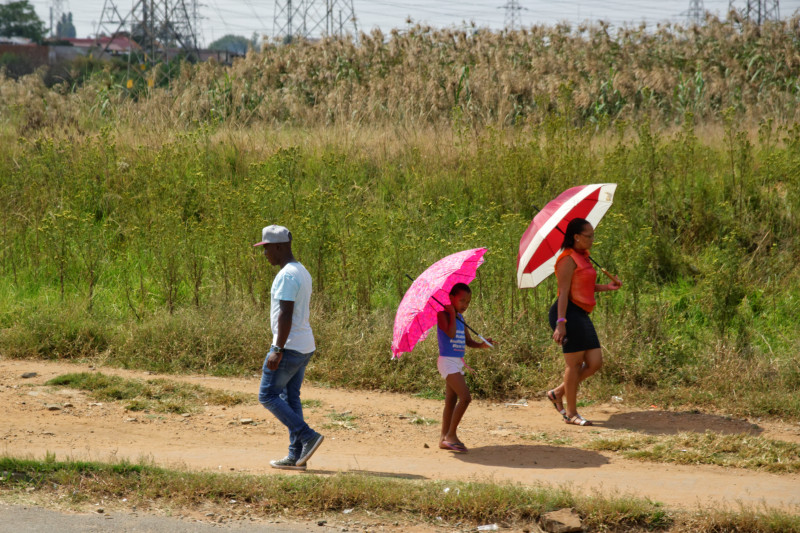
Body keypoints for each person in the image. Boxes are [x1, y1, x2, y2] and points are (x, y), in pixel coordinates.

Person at [254, 225, 324, 470]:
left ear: (280, 246)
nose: (265, 254)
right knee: (290, 397)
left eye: (267, 248)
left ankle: (308, 436)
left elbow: (285, 313)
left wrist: (277, 348)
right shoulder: (302, 270)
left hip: (289, 346)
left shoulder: (286, 275)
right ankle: (296, 456)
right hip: (304, 345)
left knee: (268, 395)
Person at [546, 218, 621, 426]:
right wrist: (561, 323)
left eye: (592, 235)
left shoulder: (583, 257)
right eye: (588, 236)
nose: (592, 239)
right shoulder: (567, 259)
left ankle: (558, 392)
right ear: (576, 237)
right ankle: (571, 413)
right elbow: (563, 293)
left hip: (582, 314)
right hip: (567, 312)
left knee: (595, 362)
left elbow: (585, 285)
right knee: (574, 363)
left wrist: (608, 286)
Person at [437, 282, 493, 453]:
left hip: (457, 362)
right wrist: (452, 314)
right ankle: (451, 435)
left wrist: (481, 345)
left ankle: (443, 438)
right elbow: (451, 334)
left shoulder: (461, 318)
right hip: (447, 361)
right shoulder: (443, 315)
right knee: (466, 398)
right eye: (462, 301)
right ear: (451, 298)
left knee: (451, 401)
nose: (465, 305)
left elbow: (467, 341)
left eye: (468, 302)